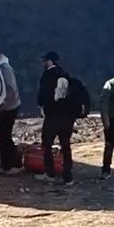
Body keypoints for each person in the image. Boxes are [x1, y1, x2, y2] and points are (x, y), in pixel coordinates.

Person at [36, 51, 75, 186]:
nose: (43, 63)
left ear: (50, 61)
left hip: (53, 116)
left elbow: (42, 97)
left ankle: (50, 173)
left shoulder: (48, 75)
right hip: (67, 117)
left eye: (45, 61)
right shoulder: (66, 75)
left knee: (47, 144)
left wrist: (42, 105)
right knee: (66, 146)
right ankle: (68, 176)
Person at [0, 51, 22, 175]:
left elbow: (9, 88)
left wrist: (0, 102)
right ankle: (11, 164)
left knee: (4, 138)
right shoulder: (4, 67)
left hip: (8, 108)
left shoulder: (5, 69)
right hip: (9, 107)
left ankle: (10, 166)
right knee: (4, 137)